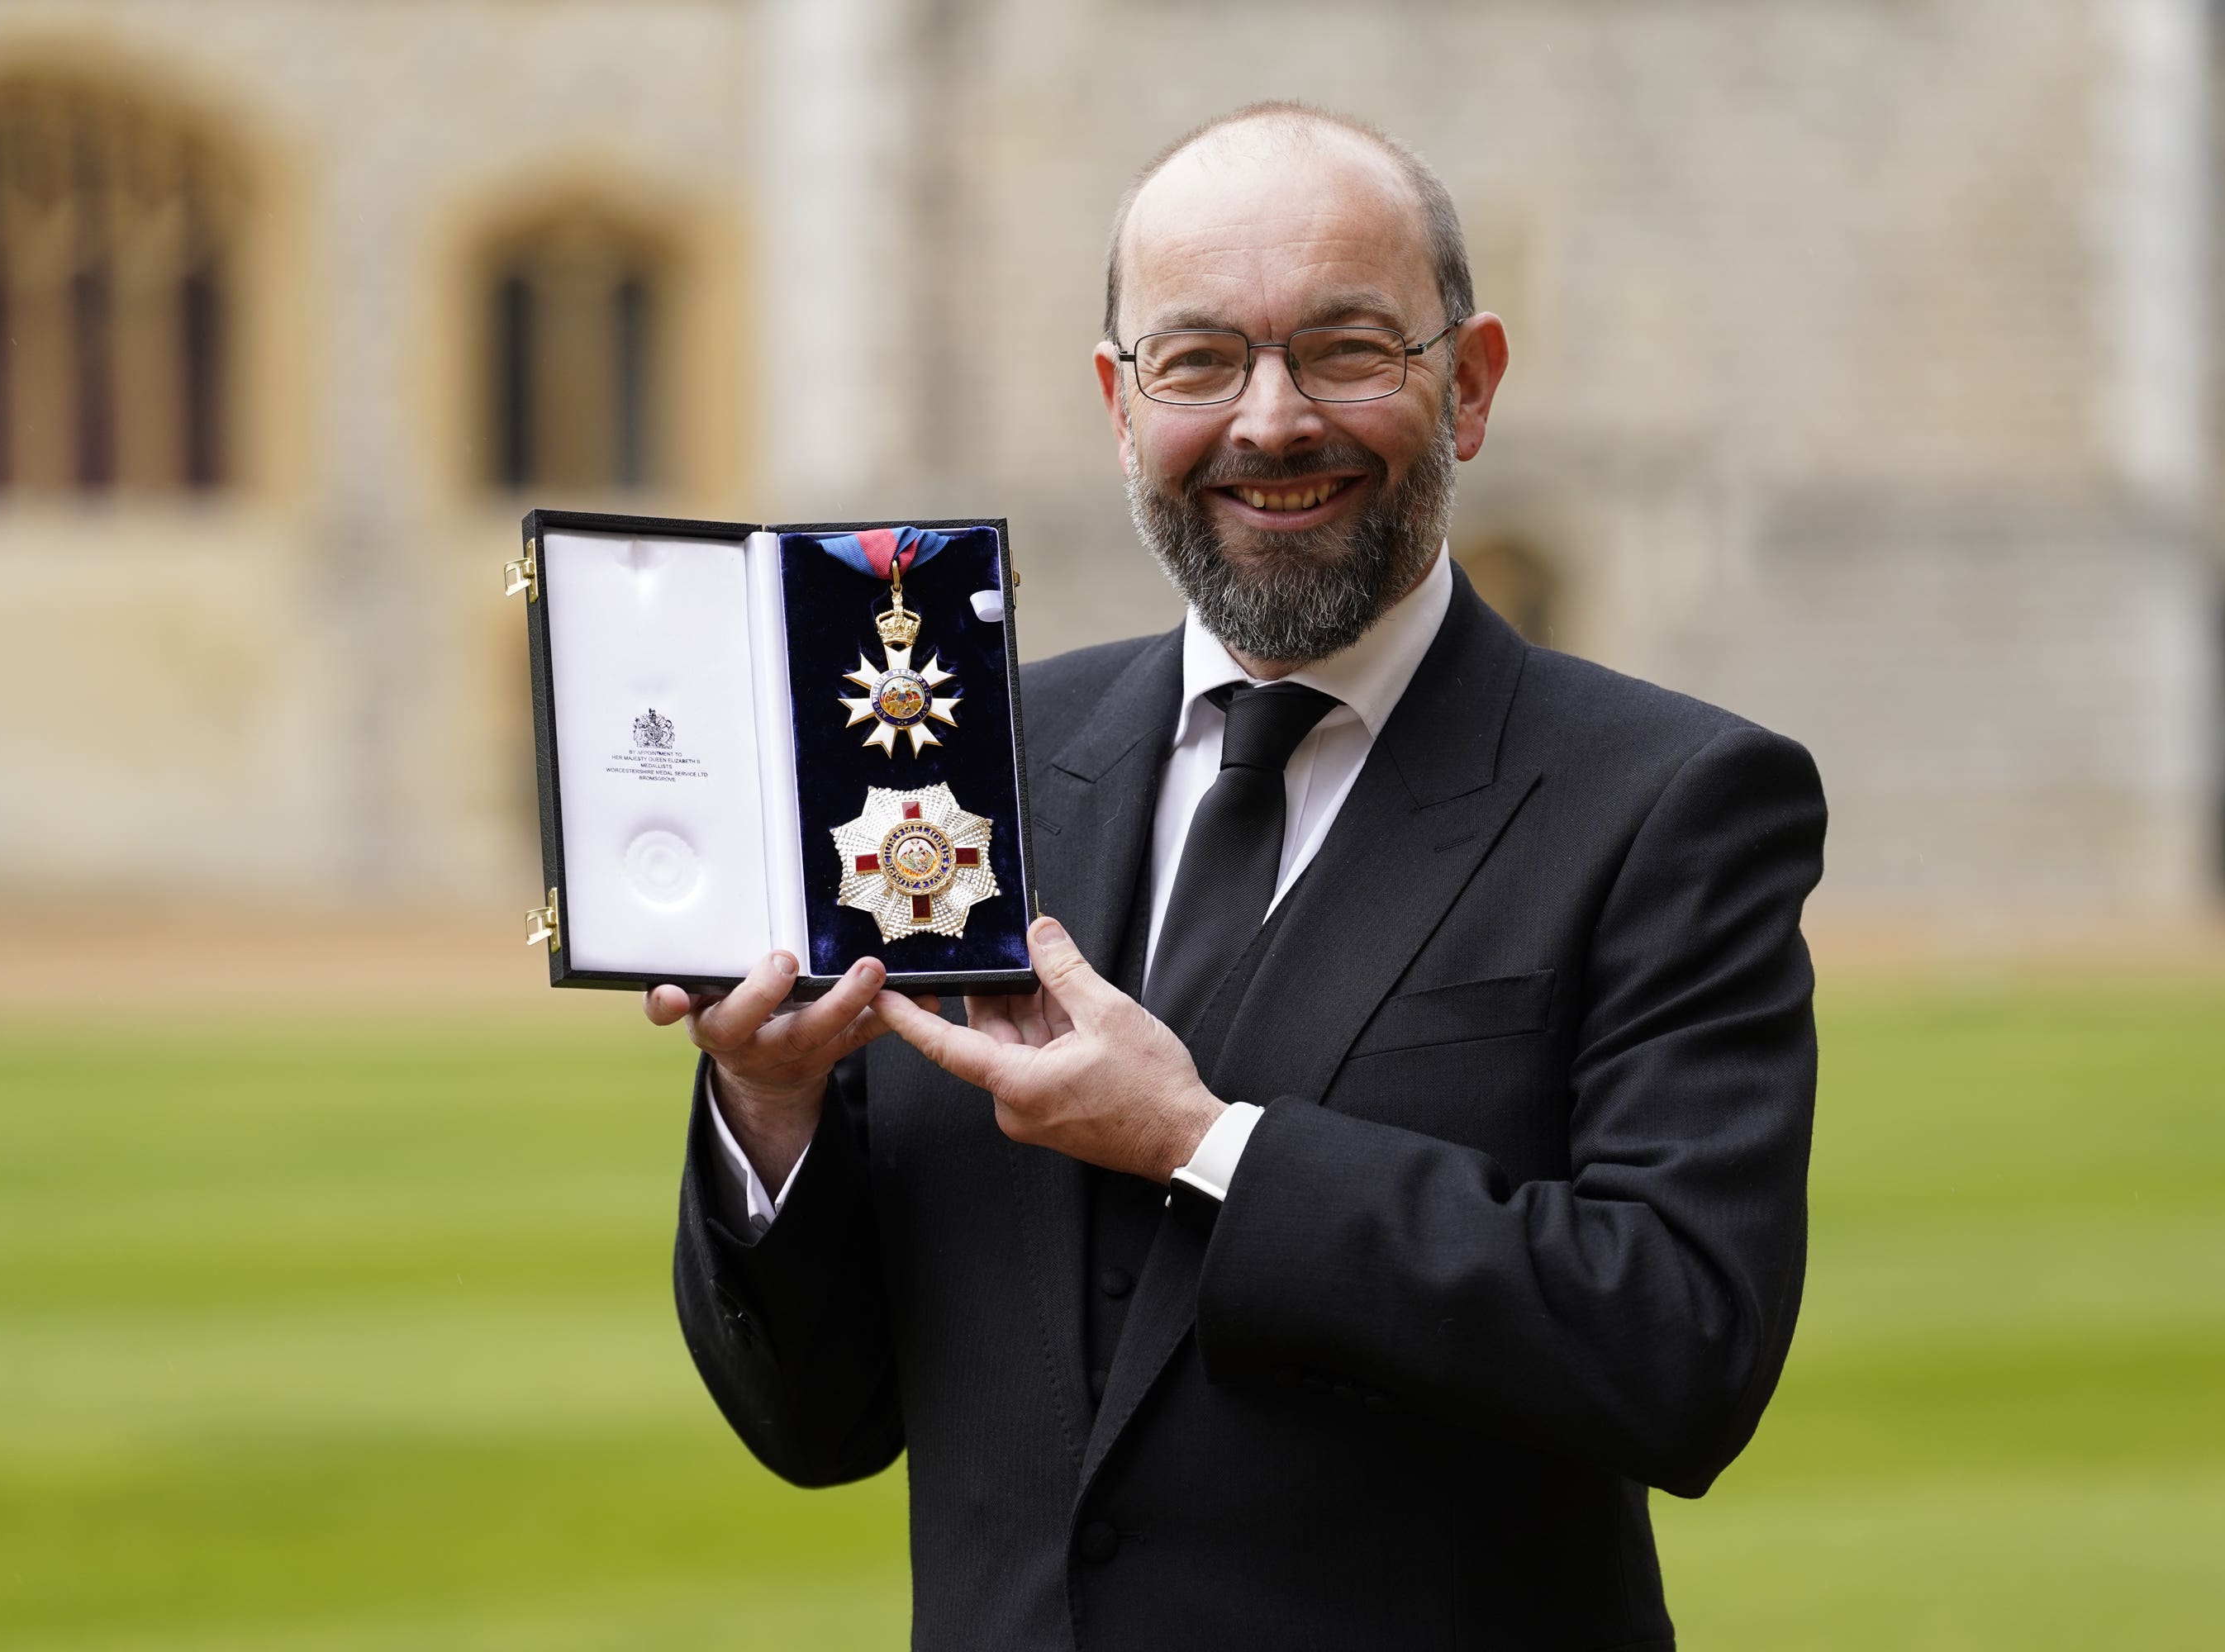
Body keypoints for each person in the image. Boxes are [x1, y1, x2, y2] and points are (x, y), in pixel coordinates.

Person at [650, 102, 1827, 1652]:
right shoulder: (963, 767)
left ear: (1468, 387)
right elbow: (818, 1426)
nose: (1271, 423)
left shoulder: (1671, 802)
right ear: (1121, 406)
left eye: (1346, 351)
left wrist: (1211, 1148)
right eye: (1200, 362)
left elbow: (1679, 1348)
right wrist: (773, 1119)